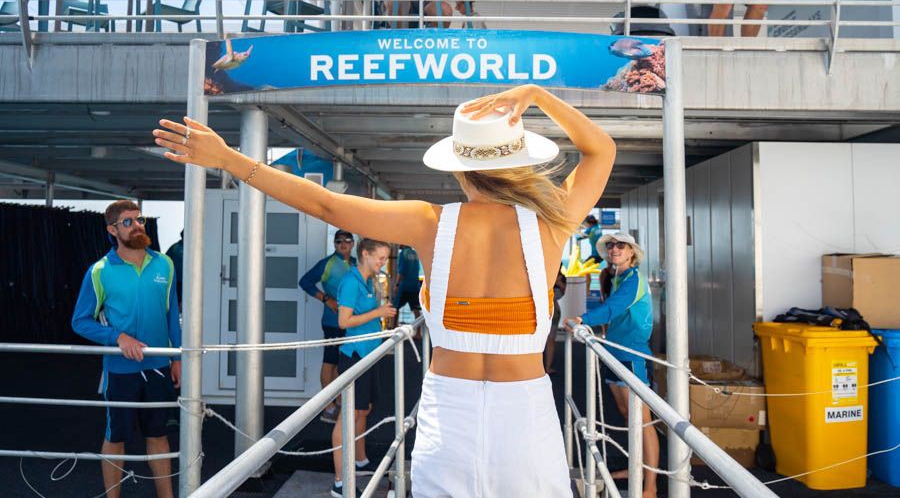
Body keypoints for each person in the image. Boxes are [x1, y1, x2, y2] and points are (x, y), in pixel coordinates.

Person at [153, 82, 616, 497]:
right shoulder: (551, 222)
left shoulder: (429, 223)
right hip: (525, 418)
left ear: (460, 169)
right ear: (517, 161)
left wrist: (229, 159)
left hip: (449, 416)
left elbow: (325, 204)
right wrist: (536, 94)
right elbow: (601, 151)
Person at [71, 200, 182, 498]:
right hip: (120, 370)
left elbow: (172, 315)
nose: (137, 226)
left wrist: (177, 358)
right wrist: (118, 337)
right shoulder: (99, 271)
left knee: (159, 435)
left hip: (158, 366)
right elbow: (80, 321)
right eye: (128, 222)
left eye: (140, 220)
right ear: (112, 230)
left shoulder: (165, 264)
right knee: (116, 437)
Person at [563, 233, 658, 498]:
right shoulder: (616, 277)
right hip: (614, 351)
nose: (614, 249)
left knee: (642, 420)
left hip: (632, 354)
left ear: (631, 252)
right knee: (626, 414)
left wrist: (581, 319)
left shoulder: (634, 279)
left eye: (621, 245)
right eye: (610, 245)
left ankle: (650, 486)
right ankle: (636, 468)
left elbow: (613, 309)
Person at [330, 238, 397, 497]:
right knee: (348, 416)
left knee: (363, 410)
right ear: (365, 254)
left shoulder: (368, 280)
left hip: (368, 356)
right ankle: (339, 483)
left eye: (385, 258)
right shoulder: (351, 282)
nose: (383, 262)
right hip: (354, 357)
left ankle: (359, 461)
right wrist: (378, 312)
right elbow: (343, 321)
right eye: (380, 258)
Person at [299, 229, 357, 424]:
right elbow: (305, 282)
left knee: (344, 363)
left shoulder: (356, 263)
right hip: (332, 322)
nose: (343, 244)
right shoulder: (327, 263)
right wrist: (325, 298)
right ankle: (328, 406)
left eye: (347, 240)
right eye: (338, 241)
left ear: (353, 244)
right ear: (334, 244)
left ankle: (339, 401)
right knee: (330, 362)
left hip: (352, 322)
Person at [544, 270, 567, 374]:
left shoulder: (560, 277)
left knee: (550, 339)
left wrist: (558, 281)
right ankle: (544, 367)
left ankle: (548, 367)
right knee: (548, 339)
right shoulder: (544, 274)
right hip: (545, 310)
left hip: (553, 312)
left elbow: (564, 292)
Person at [393, 244, 423, 324]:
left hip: (404, 286)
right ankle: (418, 331)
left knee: (394, 308)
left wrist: (397, 285)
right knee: (416, 309)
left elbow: (401, 272)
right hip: (415, 286)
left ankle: (393, 327)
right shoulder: (415, 253)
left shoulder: (403, 253)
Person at [165, 230, 184, 308]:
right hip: (177, 279)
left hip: (183, 280)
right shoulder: (175, 247)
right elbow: (165, 261)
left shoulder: (174, 247)